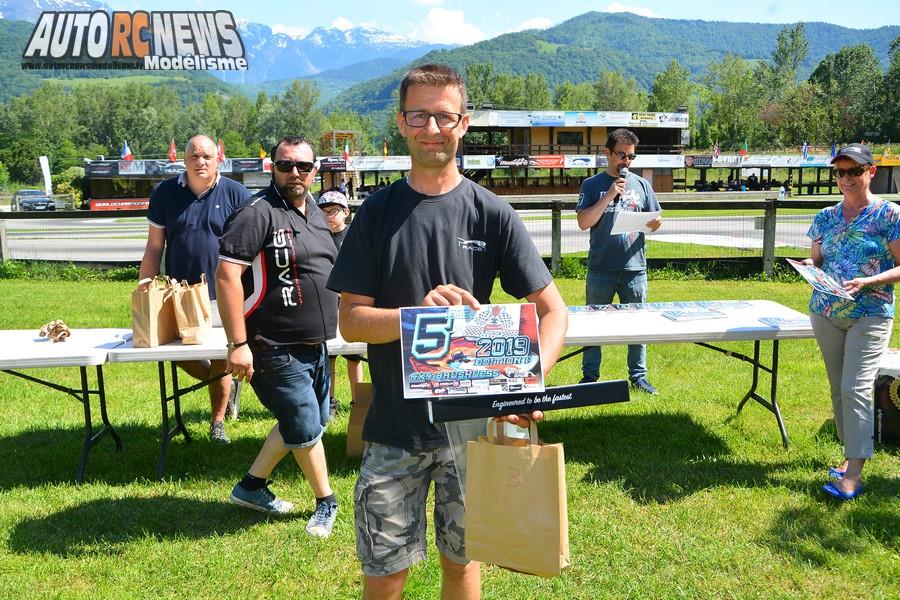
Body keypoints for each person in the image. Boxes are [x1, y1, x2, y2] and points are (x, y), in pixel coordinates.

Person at [327, 64, 568, 600]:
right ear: (401, 122)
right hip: (393, 430)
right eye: (420, 115)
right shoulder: (376, 214)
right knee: (385, 575)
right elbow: (350, 320)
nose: (432, 127)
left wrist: (528, 383)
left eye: (444, 116)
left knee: (462, 567)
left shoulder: (492, 213)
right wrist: (420, 318)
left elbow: (554, 311)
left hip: (472, 433)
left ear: (464, 124)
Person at [216, 135, 340, 536]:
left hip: (315, 345)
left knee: (309, 420)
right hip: (272, 345)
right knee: (304, 427)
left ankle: (251, 487)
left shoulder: (316, 213)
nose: (295, 173)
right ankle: (327, 501)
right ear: (272, 168)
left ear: (314, 170)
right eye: (285, 165)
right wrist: (238, 344)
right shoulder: (257, 213)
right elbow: (227, 274)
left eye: (303, 166)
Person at [803, 143, 900, 501]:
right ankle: (848, 457)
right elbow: (816, 258)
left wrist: (869, 281)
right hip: (826, 312)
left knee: (855, 389)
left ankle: (854, 475)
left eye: (854, 172)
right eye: (840, 172)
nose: (846, 179)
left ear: (871, 172)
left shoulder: (888, 215)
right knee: (837, 388)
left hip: (870, 313)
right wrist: (809, 268)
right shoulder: (825, 216)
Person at [138, 134, 250, 443]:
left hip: (223, 294)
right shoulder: (164, 194)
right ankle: (228, 382)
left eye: (206, 157)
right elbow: (153, 247)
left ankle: (217, 422)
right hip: (179, 294)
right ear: (183, 159)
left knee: (218, 355)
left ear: (218, 159)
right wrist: (144, 287)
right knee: (171, 351)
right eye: (194, 156)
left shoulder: (237, 194)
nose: (200, 162)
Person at [576, 128, 663, 394]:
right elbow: (583, 222)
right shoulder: (592, 185)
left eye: (631, 157)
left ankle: (638, 376)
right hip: (601, 268)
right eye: (622, 155)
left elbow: (655, 219)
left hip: (634, 268)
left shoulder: (643, 185)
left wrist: (656, 223)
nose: (627, 162)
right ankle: (590, 377)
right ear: (608, 154)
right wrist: (609, 195)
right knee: (594, 324)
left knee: (637, 325)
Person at [316, 190, 364, 418]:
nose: (328, 216)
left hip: (350, 301)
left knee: (354, 355)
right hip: (325, 304)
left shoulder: (355, 236)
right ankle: (330, 402)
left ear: (346, 212)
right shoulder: (318, 236)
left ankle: (359, 401)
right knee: (330, 356)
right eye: (323, 211)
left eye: (333, 211)